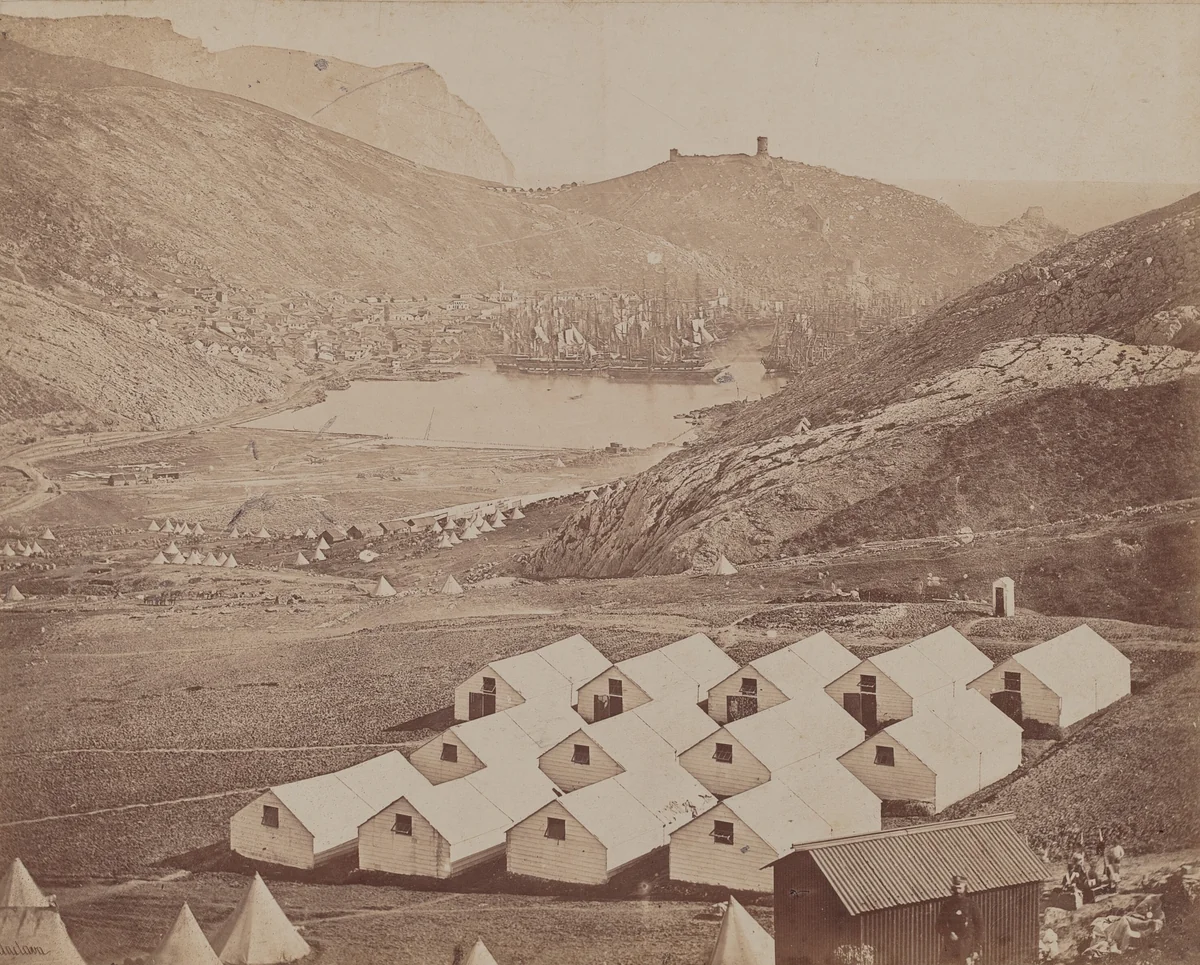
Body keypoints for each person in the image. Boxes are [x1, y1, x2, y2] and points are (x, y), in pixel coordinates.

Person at [936, 875, 984, 964]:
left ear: (965, 888)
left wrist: (976, 949)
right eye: (955, 889)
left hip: (968, 947)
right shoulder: (947, 905)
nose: (958, 891)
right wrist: (949, 933)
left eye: (960, 888)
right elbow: (939, 925)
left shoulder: (972, 905)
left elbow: (980, 928)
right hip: (951, 947)